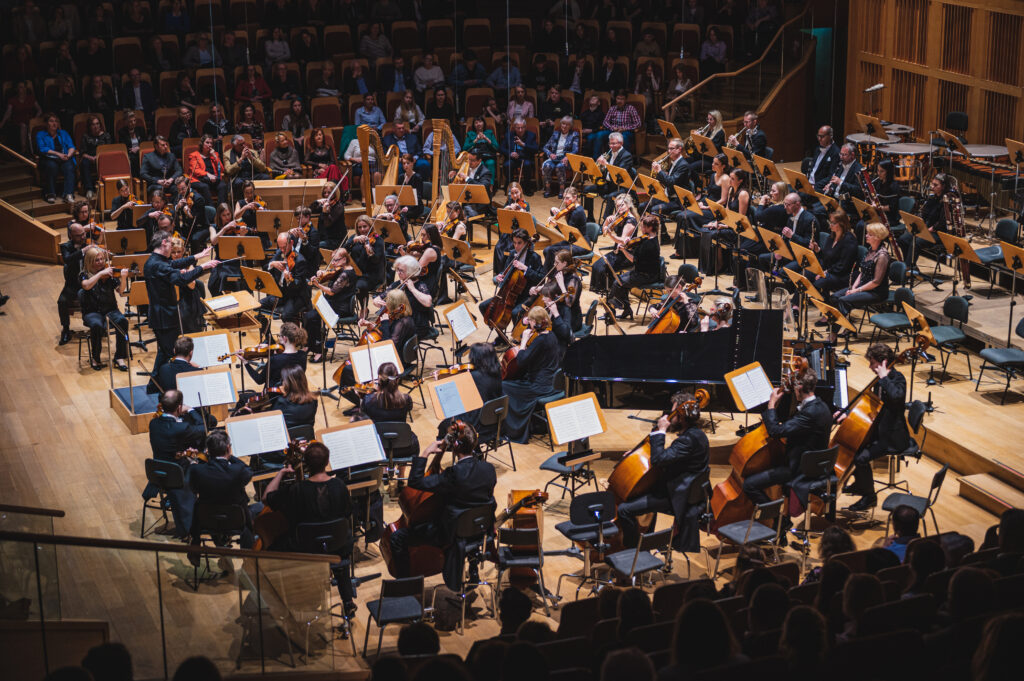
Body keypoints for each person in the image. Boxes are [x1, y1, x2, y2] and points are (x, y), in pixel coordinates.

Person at [388, 421, 497, 590]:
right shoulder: (488, 469)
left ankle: (405, 587)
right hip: (479, 528)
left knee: (397, 538)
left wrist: (426, 453)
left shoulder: (453, 475)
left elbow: (415, 482)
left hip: (451, 533)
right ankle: (472, 567)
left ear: (455, 447)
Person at [263, 441, 355, 610]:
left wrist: (281, 473)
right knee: (339, 542)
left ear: (305, 464)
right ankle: (348, 600)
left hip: (304, 547)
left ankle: (288, 597)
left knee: (268, 550)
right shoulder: (340, 486)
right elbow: (347, 514)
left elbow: (266, 497)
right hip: (337, 544)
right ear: (327, 462)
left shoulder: (296, 490)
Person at [742, 368, 831, 537]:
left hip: (800, 470)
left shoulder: (810, 413)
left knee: (749, 485)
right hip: (814, 464)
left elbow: (775, 431)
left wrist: (771, 404)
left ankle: (779, 521)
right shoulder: (822, 406)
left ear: (798, 389)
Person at [616, 392, 710, 552]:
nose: (668, 416)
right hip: (685, 490)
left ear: (681, 417)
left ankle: (635, 550)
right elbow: (672, 457)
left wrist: (661, 431)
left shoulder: (686, 441)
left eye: (673, 413)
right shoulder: (698, 435)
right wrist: (637, 452)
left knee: (623, 510)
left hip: (677, 497)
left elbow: (659, 459)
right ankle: (646, 537)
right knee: (645, 491)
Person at [144, 231, 219, 391]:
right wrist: (202, 267)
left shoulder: (155, 260)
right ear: (164, 243)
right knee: (169, 353)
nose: (172, 247)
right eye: (171, 243)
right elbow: (182, 279)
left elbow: (173, 265)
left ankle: (155, 385)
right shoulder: (158, 264)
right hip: (164, 317)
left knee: (165, 352)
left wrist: (195, 257)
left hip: (162, 315)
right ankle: (160, 386)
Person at [842, 343, 910, 511]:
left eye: (872, 363)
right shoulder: (880, 381)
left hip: (892, 437)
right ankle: (860, 485)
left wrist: (884, 378)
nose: (870, 367)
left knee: (861, 458)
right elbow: (869, 403)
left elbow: (896, 396)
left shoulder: (897, 379)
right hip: (878, 431)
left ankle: (870, 497)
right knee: (855, 448)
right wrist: (848, 414)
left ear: (883, 362)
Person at [145, 389, 214, 538]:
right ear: (178, 407)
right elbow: (203, 428)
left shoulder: (153, 423)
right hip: (177, 476)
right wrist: (190, 410)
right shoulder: (181, 428)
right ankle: (201, 520)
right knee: (208, 468)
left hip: (157, 472)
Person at [502, 307, 561, 443]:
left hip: (539, 386)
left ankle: (515, 430)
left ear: (535, 322)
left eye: (531, 321)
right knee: (516, 381)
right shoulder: (552, 335)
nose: (529, 323)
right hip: (551, 383)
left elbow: (521, 361)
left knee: (505, 386)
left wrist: (523, 342)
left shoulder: (540, 340)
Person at [188, 429, 254, 548]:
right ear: (228, 448)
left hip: (207, 519)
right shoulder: (238, 471)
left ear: (208, 451)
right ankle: (249, 551)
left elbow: (193, 489)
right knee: (258, 508)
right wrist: (230, 456)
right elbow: (248, 471)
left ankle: (211, 544)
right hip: (235, 520)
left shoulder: (196, 470)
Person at [829, 222, 891, 342]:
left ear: (877, 237)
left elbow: (876, 282)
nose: (866, 235)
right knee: (835, 297)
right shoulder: (870, 250)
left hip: (876, 292)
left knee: (843, 300)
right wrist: (853, 287)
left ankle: (833, 335)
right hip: (862, 287)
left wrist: (856, 291)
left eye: (870, 234)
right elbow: (862, 272)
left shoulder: (882, 256)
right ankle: (849, 327)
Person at [479, 228, 544, 329]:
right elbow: (504, 271)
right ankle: (502, 338)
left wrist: (525, 268)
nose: (516, 246)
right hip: (508, 294)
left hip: (526, 295)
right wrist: (498, 277)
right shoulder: (513, 253)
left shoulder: (534, 257)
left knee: (515, 313)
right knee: (483, 306)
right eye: (514, 243)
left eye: (519, 243)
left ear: (527, 242)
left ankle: (517, 339)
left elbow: (541, 278)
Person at [79, 245, 130, 371]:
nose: (101, 262)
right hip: (92, 312)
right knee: (97, 326)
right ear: (90, 262)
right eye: (97, 260)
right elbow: (86, 286)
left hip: (110, 310)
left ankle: (119, 357)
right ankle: (96, 358)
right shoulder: (84, 275)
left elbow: (121, 291)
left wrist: (123, 278)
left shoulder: (110, 275)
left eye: (102, 259)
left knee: (123, 321)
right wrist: (100, 273)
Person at [305, 252, 359, 363]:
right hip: (334, 303)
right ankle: (310, 345)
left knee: (312, 317)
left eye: (336, 260)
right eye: (332, 260)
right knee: (308, 315)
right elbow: (332, 279)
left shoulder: (346, 274)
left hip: (341, 307)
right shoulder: (342, 270)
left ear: (344, 259)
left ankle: (319, 350)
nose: (333, 263)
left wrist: (318, 285)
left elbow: (332, 292)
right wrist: (322, 274)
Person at [357, 362, 419, 455]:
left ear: (379, 380)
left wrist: (362, 398)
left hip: (378, 446)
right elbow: (407, 408)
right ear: (397, 380)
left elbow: (362, 420)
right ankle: (401, 469)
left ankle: (383, 469)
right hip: (404, 446)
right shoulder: (406, 399)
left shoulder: (368, 400)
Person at [608, 215, 661, 320]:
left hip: (647, 275)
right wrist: (629, 241)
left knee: (618, 283)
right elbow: (637, 249)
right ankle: (626, 308)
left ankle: (614, 309)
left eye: (643, 227)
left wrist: (624, 250)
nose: (641, 229)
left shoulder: (649, 244)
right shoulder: (649, 238)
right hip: (642, 271)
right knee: (619, 281)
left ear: (650, 228)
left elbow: (634, 259)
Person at [590, 195, 638, 293]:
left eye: (622, 205)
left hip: (626, 255)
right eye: (617, 206)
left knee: (603, 267)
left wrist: (611, 235)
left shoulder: (631, 221)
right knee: (596, 265)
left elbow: (622, 240)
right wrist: (607, 222)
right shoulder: (619, 217)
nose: (619, 208)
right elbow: (603, 231)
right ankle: (607, 290)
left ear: (628, 205)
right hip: (617, 252)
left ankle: (612, 291)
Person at [586, 131, 636, 221]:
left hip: (621, 187)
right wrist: (599, 166)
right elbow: (603, 172)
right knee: (587, 190)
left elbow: (618, 173)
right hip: (608, 185)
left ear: (621, 143)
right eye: (610, 143)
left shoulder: (626, 156)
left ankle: (606, 222)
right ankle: (590, 218)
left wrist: (606, 164)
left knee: (610, 197)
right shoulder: (608, 153)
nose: (611, 146)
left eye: (614, 143)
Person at [263, 232, 311, 323]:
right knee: (258, 306)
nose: (282, 250)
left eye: (284, 247)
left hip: (295, 296)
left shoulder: (300, 260)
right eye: (279, 247)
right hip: (281, 293)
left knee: (286, 315)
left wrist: (288, 278)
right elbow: (265, 268)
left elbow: (297, 285)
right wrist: (272, 264)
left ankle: (292, 336)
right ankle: (267, 336)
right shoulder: (279, 253)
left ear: (291, 243)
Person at [811, 209, 858, 299]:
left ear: (842, 224)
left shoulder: (849, 240)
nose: (830, 225)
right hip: (830, 271)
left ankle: (826, 304)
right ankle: (795, 307)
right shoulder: (832, 236)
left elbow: (843, 266)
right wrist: (818, 250)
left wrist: (826, 272)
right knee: (805, 275)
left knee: (818, 283)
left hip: (843, 276)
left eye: (833, 223)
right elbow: (827, 257)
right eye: (830, 222)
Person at [57, 222, 91, 345]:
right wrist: (82, 251)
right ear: (71, 236)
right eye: (79, 235)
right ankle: (66, 329)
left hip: (89, 282)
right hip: (73, 284)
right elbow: (67, 259)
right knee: (62, 301)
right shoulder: (66, 247)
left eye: (84, 234)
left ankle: (100, 326)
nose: (83, 237)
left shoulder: (89, 244)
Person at [36, 113, 77, 203]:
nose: (54, 124)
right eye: (51, 121)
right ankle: (50, 193)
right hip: (48, 159)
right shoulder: (40, 134)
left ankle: (68, 194)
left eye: (56, 121)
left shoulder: (63, 133)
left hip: (63, 158)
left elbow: (71, 146)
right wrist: (59, 154)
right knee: (51, 166)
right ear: (46, 124)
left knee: (69, 166)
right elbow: (42, 149)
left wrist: (68, 155)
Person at [541, 117, 579, 199]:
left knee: (559, 166)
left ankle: (562, 190)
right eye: (563, 124)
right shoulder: (555, 133)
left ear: (571, 126)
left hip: (565, 159)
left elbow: (575, 150)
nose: (564, 126)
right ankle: (548, 189)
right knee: (547, 166)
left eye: (567, 124)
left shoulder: (574, 134)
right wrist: (550, 154)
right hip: (554, 158)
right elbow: (545, 147)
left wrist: (567, 157)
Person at [269, 364, 317, 429]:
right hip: (307, 436)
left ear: (286, 383)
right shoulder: (314, 400)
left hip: (288, 437)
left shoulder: (282, 402)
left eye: (283, 380)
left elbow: (271, 421)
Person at [595, 90, 642, 157]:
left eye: (622, 99)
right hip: (613, 131)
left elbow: (638, 123)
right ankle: (597, 159)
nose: (620, 101)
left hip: (626, 132)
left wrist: (625, 129)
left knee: (623, 137)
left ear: (625, 100)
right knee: (599, 135)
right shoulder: (612, 108)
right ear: (615, 99)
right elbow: (605, 122)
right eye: (618, 99)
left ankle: (625, 160)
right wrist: (612, 128)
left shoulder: (631, 108)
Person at [500, 118, 539, 193]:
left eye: (522, 127)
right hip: (512, 158)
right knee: (507, 165)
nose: (520, 130)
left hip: (525, 158)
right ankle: (509, 187)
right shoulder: (509, 135)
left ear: (525, 127)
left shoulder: (531, 135)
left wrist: (523, 144)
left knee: (527, 164)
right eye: (518, 128)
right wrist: (510, 153)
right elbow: (501, 148)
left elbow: (536, 148)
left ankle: (527, 187)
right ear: (514, 127)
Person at [187, 134, 227, 207]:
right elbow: (195, 170)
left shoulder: (215, 155)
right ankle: (211, 209)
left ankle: (221, 209)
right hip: (199, 180)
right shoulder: (194, 155)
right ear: (202, 144)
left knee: (223, 185)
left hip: (213, 180)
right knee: (204, 186)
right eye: (207, 142)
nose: (209, 145)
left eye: (211, 143)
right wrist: (207, 174)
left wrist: (215, 157)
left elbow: (221, 169)